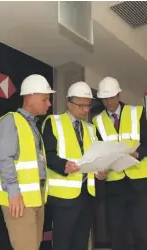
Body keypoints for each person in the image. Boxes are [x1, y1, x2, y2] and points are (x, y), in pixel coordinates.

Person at [0, 74, 56, 250]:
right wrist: (14, 193)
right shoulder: (11, 120)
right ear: (30, 97)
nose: (48, 104)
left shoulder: (32, 126)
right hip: (20, 200)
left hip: (35, 199)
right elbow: (5, 159)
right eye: (45, 99)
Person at [92, 76, 147, 250]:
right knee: (119, 233)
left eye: (111, 97)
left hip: (139, 181)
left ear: (119, 95)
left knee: (143, 232)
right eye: (105, 99)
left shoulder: (137, 112)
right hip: (115, 185)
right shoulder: (97, 121)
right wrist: (100, 169)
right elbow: (98, 152)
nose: (109, 102)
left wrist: (137, 154)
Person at [41, 81, 106, 250]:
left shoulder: (91, 129)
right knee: (63, 243)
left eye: (88, 106)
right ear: (69, 102)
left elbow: (98, 156)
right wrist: (63, 165)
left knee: (81, 243)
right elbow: (46, 154)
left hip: (87, 196)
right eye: (81, 105)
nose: (85, 110)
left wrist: (101, 171)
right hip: (63, 198)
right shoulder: (53, 122)